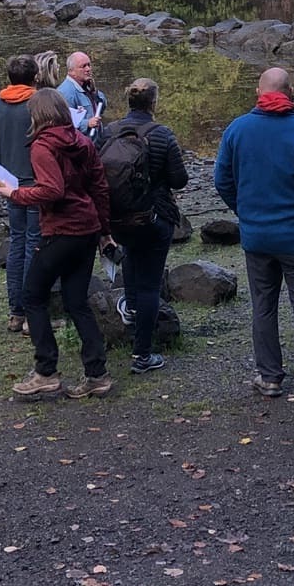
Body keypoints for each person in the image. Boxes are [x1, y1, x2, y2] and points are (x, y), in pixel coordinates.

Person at [214, 68, 294, 407]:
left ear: (259, 91)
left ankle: (269, 377)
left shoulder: (237, 129)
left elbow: (221, 178)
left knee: (263, 305)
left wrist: (243, 210)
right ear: (290, 92)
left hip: (257, 236)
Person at [0, 89, 114, 400]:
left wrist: (15, 194)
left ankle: (46, 372)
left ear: (37, 115)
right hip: (87, 228)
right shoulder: (83, 141)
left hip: (63, 230)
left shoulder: (42, 146)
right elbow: (98, 187)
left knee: (32, 296)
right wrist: (104, 231)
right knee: (76, 301)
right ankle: (97, 374)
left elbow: (52, 190)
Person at [99, 78, 189, 375]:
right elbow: (179, 180)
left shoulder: (107, 132)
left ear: (128, 102)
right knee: (151, 284)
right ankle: (142, 354)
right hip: (153, 218)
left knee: (132, 260)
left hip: (117, 219)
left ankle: (132, 311)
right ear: (154, 103)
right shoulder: (162, 134)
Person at [0, 55, 41, 334]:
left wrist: (4, 174)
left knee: (17, 243)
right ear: (35, 77)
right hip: (38, 184)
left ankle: (16, 313)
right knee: (34, 245)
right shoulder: (40, 102)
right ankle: (31, 314)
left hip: (9, 184)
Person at [58, 52, 107, 144]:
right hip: (81, 147)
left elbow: (102, 107)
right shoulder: (65, 93)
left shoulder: (87, 86)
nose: (88, 69)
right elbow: (64, 125)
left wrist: (95, 92)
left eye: (89, 65)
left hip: (96, 143)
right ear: (71, 71)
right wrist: (87, 123)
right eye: (83, 66)